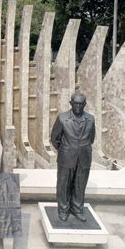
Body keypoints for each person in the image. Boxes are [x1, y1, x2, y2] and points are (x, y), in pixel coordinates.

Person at [50, 93, 95, 222]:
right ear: (71, 103)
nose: (78, 106)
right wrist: (65, 149)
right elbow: (54, 138)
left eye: (81, 104)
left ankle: (77, 209)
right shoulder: (62, 118)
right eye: (75, 103)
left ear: (85, 104)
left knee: (80, 185)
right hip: (66, 156)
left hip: (84, 157)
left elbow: (91, 138)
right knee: (64, 184)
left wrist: (80, 148)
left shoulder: (91, 119)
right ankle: (63, 209)